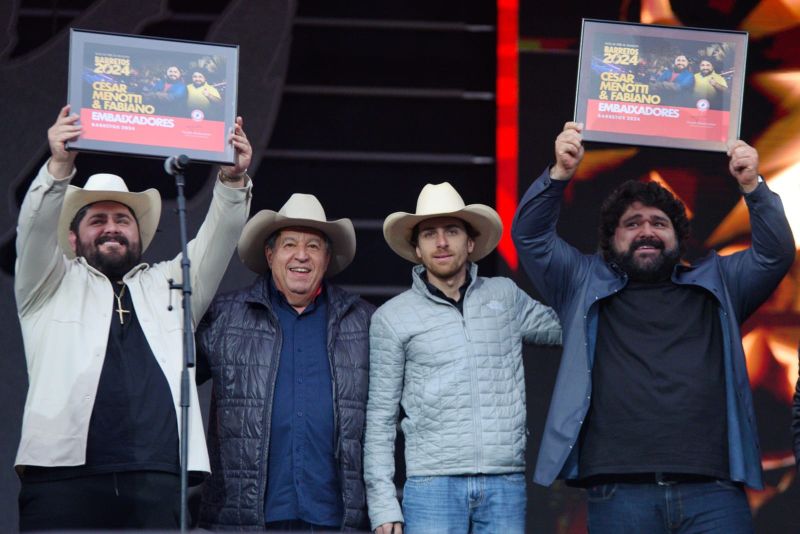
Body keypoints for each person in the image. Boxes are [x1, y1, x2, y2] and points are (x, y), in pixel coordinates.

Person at [511, 122, 795, 533]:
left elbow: (774, 254)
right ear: (612, 240)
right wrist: (559, 175)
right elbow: (532, 237)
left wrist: (753, 185)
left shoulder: (718, 282)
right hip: (620, 492)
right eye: (633, 223)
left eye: (659, 223)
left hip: (712, 490)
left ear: (678, 238)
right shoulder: (581, 281)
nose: (647, 230)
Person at [13, 105, 252, 530]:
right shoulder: (46, 284)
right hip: (61, 479)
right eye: (97, 220)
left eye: (122, 220)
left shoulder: (171, 285)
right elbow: (33, 230)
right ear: (72, 237)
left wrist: (232, 180)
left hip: (157, 477)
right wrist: (59, 167)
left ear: (139, 236)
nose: (111, 228)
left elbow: (220, 238)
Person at [364, 182, 562, 534]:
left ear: (470, 243)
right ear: (418, 250)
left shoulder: (505, 296)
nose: (441, 242)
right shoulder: (392, 317)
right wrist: (382, 503)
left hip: (504, 481)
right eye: (429, 234)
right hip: (431, 486)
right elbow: (380, 417)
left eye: (452, 231)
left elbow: (568, 329)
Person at [195, 194, 375, 531]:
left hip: (335, 518)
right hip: (247, 518)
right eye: (289, 244)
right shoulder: (223, 317)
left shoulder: (363, 321)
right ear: (270, 254)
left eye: (313, 246)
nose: (301, 255)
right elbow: (170, 383)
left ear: (327, 257)